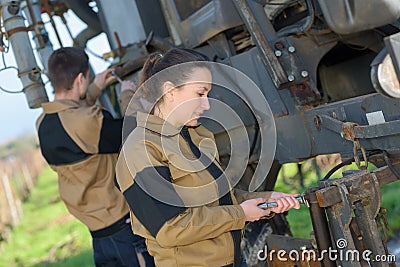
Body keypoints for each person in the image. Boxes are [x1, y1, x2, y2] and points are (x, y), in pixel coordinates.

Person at [116, 48, 300, 267]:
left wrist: (265, 200)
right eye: (200, 93)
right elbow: (170, 228)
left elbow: (218, 200)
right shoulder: (140, 148)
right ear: (170, 91)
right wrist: (241, 214)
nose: (207, 104)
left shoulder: (197, 135)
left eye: (208, 94)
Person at [36, 47, 155, 267]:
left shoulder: (43, 123)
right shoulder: (88, 122)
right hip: (126, 231)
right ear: (80, 78)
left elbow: (73, 118)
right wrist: (128, 94)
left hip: (99, 235)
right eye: (87, 78)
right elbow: (134, 132)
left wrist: (94, 89)